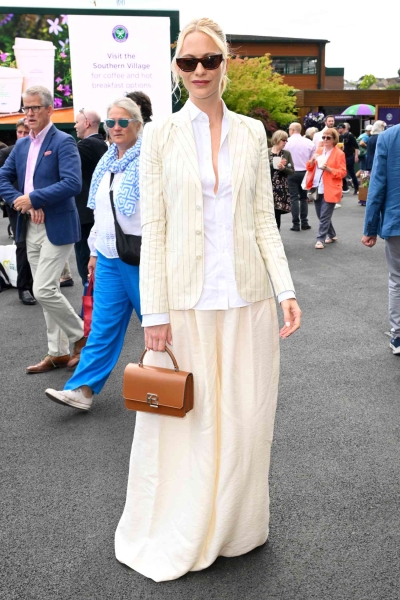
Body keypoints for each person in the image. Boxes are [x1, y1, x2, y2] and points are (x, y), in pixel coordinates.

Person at [114, 17, 301, 582]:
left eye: (209, 61)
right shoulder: (162, 136)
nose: (199, 71)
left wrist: (285, 289)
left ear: (224, 64)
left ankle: (237, 527)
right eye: (187, 62)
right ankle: (188, 523)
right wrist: (156, 313)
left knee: (245, 417)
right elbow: (156, 227)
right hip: (186, 303)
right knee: (188, 423)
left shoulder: (249, 131)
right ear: (177, 69)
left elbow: (264, 221)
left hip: (247, 298)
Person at [44, 97, 143, 410]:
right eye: (111, 122)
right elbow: (103, 213)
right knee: (101, 326)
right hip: (110, 257)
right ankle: (82, 389)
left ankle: (189, 384)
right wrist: (95, 253)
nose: (115, 127)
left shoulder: (151, 162)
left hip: (143, 258)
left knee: (160, 326)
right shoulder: (107, 162)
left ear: (137, 125)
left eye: (123, 121)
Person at [0, 85, 85, 373]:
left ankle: (81, 336)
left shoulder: (64, 142)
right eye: (26, 107)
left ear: (49, 109)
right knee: (46, 291)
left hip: (58, 226)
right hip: (29, 226)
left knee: (44, 290)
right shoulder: (22, 145)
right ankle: (57, 353)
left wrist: (35, 198)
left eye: (36, 107)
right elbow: (3, 179)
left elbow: (73, 183)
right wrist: (22, 203)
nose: (30, 113)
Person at [362, 125, 400, 353]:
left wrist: (370, 228)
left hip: (397, 220)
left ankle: (398, 335)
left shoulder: (388, 137)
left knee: (397, 279)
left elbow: (378, 184)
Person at [0, 118, 35, 305]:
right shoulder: (6, 153)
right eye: (19, 132)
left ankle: (39, 284)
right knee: (22, 246)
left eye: (26, 132)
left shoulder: (38, 151)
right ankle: (24, 288)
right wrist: (14, 201)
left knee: (40, 246)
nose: (22, 135)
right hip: (16, 207)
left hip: (39, 206)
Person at [74, 108, 108, 285]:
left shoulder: (84, 147)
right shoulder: (103, 145)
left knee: (85, 264)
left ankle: (90, 308)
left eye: (77, 122)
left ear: (86, 123)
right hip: (96, 213)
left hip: (85, 216)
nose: (75, 126)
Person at [305, 127, 346, 249]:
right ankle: (332, 234)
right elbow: (309, 167)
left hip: (331, 187)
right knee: (320, 214)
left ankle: (320, 239)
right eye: (324, 137)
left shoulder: (339, 154)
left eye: (328, 137)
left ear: (334, 139)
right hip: (317, 186)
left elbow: (342, 173)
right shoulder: (319, 150)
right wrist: (312, 161)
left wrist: (329, 169)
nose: (325, 139)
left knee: (324, 216)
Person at [285, 122, 314, 231]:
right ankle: (305, 222)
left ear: (291, 130)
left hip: (291, 172)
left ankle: (296, 224)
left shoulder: (286, 142)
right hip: (305, 172)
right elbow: (312, 160)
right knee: (303, 198)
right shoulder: (309, 143)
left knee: (293, 199)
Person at [268, 130, 294, 229]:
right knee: (268, 213)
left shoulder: (286, 153)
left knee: (277, 214)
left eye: (286, 140)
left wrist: (283, 168)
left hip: (281, 188)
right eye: (284, 140)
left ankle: (276, 237)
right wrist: (273, 165)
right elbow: (261, 167)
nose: (285, 142)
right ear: (277, 139)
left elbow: (292, 171)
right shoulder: (267, 152)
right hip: (267, 186)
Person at [337, 122, 359, 195]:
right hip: (342, 156)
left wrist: (356, 156)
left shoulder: (350, 136)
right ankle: (344, 187)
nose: (338, 130)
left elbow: (356, 146)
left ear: (343, 128)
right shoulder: (340, 136)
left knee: (351, 173)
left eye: (339, 128)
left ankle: (357, 188)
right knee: (341, 173)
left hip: (349, 156)